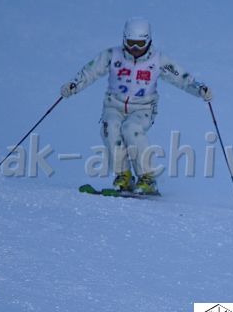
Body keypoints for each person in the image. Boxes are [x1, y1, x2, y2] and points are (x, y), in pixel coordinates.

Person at [60, 17, 213, 194]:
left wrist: (199, 89)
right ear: (124, 39)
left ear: (148, 41)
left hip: (143, 108)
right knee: (110, 129)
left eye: (140, 44)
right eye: (130, 43)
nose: (134, 48)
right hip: (113, 106)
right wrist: (74, 85)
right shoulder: (112, 55)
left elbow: (182, 78)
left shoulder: (157, 60)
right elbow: (91, 71)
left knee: (131, 129)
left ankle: (147, 177)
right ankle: (123, 176)